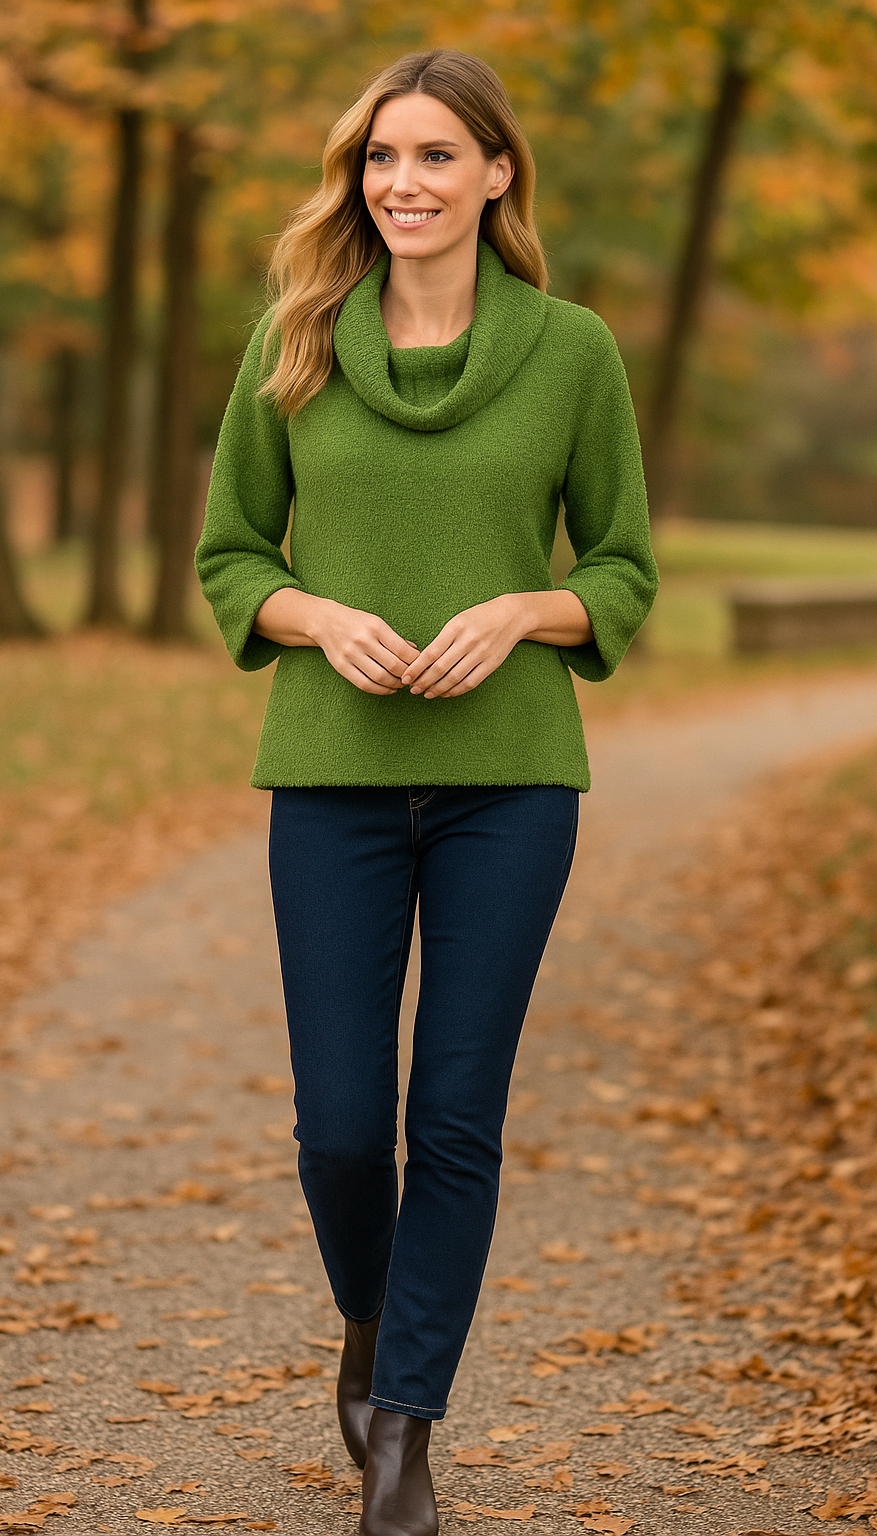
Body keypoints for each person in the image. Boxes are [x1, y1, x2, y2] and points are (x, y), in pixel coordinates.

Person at [195, 46, 657, 1536]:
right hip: (330, 778)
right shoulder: (297, 343)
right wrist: (320, 618)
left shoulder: (573, 351)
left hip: (509, 785)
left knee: (454, 1114)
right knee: (341, 1124)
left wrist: (524, 611)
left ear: (498, 174)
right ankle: (375, 1321)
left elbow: (626, 571)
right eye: (382, 158)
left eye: (437, 157)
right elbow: (229, 559)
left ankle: (406, 1422)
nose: (404, 183)